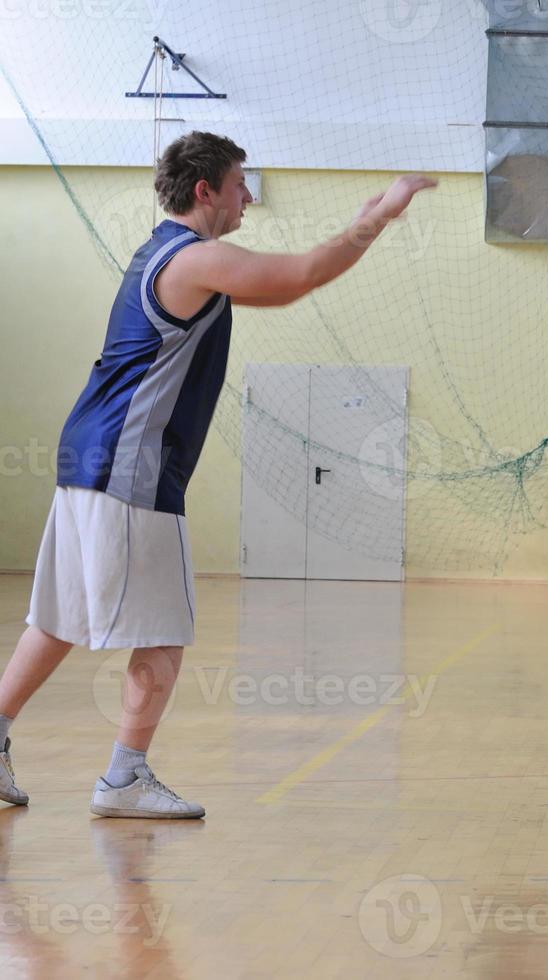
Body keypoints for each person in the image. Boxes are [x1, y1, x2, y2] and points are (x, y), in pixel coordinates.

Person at [0, 132, 436, 818]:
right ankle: (123, 779)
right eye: (239, 183)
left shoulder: (155, 251)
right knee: (164, 630)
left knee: (55, 617)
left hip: (87, 453)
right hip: (130, 467)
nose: (249, 196)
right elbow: (300, 278)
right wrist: (380, 214)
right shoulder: (195, 258)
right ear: (205, 190)